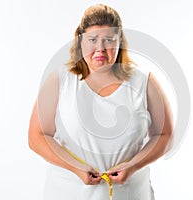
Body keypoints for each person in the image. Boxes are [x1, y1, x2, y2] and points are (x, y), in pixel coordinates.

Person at [28, 4, 173, 200]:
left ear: (120, 42)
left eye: (109, 40)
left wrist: (134, 165)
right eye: (93, 40)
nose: (100, 49)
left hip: (131, 194)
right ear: (80, 42)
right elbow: (37, 136)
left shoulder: (144, 82)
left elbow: (165, 134)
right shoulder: (59, 80)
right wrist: (75, 167)